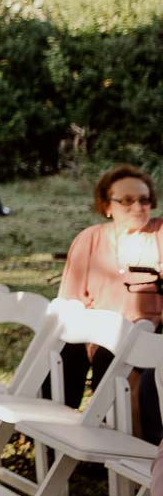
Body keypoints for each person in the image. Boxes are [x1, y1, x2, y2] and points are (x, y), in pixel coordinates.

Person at [57, 164, 163, 442]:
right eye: (127, 200)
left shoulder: (161, 234)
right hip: (97, 333)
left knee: (125, 358)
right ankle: (55, 435)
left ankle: (130, 448)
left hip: (150, 335)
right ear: (107, 206)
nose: (138, 207)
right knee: (63, 349)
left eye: (144, 199)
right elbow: (70, 301)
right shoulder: (90, 239)